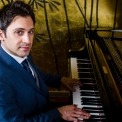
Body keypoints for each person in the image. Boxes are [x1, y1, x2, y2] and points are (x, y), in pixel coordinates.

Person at [0, 1, 90, 122]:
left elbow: (34, 74)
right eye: (19, 32)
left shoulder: (18, 51)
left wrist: (60, 80)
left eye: (30, 31)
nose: (27, 40)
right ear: (1, 35)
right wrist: (59, 113)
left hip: (44, 110)